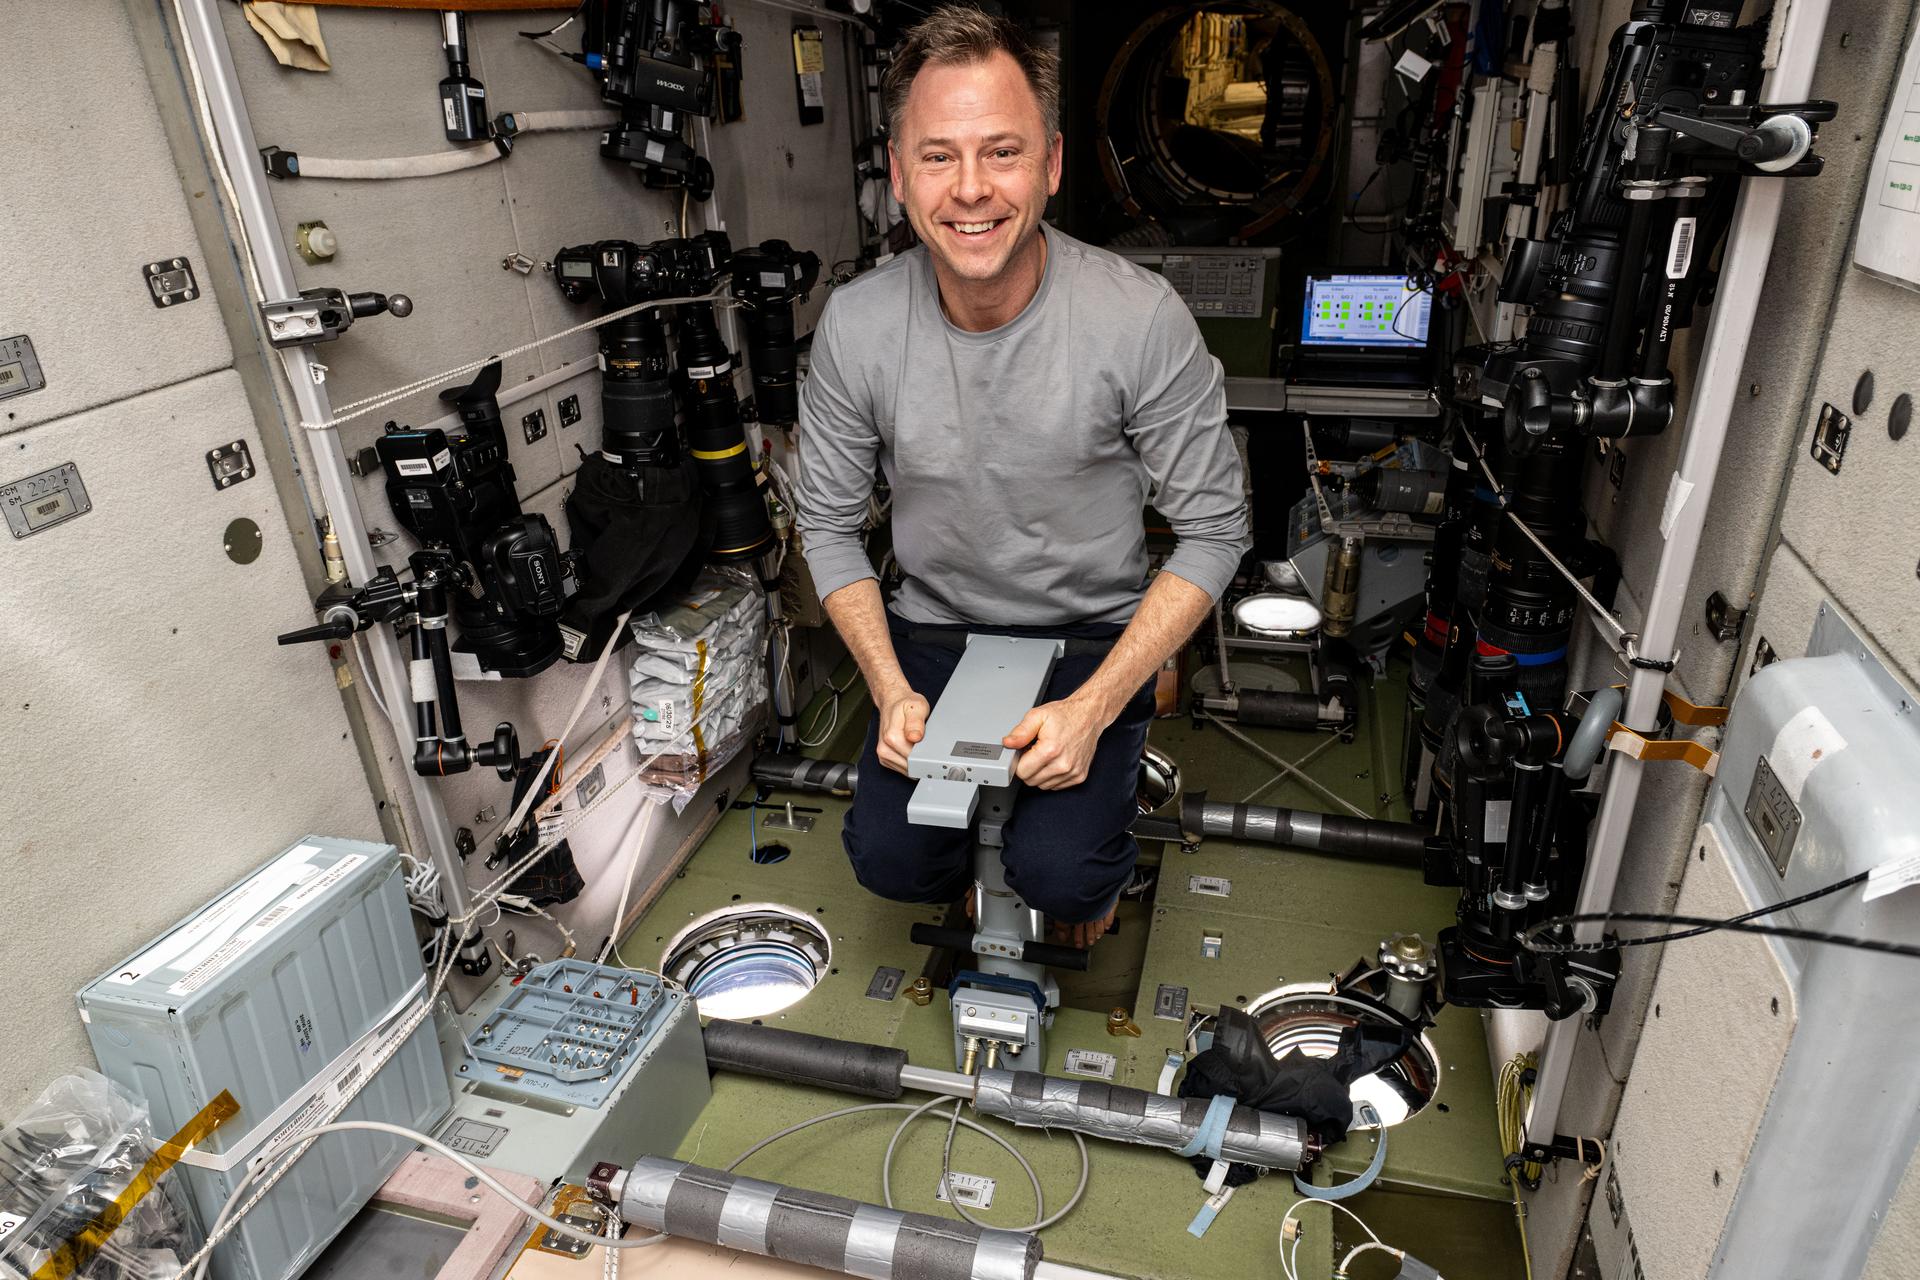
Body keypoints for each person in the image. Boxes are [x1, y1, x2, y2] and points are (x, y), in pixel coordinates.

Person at [792, 6, 1250, 948]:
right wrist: (885, 685)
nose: (970, 191)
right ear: (896, 173)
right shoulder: (857, 326)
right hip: (931, 631)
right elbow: (831, 528)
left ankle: (1086, 859)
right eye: (938, 156)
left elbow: (1214, 528)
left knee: (1065, 880)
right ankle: (969, 847)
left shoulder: (1137, 319)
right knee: (893, 862)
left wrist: (1096, 706)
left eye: (1001, 153)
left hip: (1091, 634)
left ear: (1048, 164)